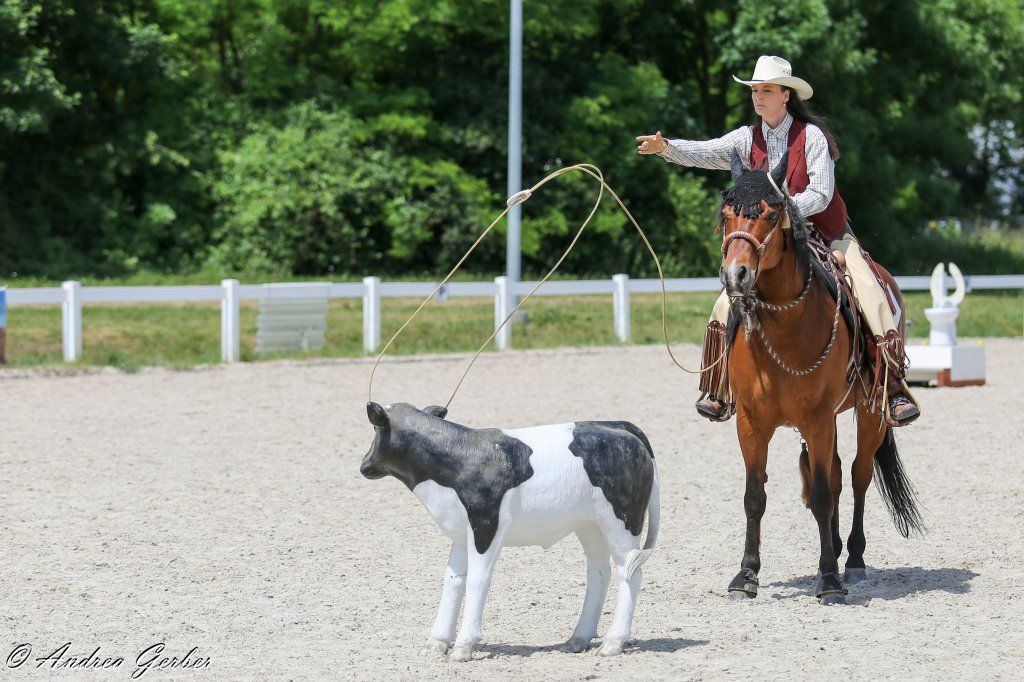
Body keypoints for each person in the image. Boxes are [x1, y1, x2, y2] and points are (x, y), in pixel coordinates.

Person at [636, 55, 920, 427]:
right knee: (725, 302)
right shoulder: (744, 138)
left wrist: (782, 213)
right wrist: (666, 148)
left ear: (786, 95)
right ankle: (718, 388)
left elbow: (820, 193)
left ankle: (893, 387)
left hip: (828, 234)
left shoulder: (812, 137)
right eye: (755, 90)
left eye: (766, 90)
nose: (758, 97)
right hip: (771, 241)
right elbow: (705, 152)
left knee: (869, 289)